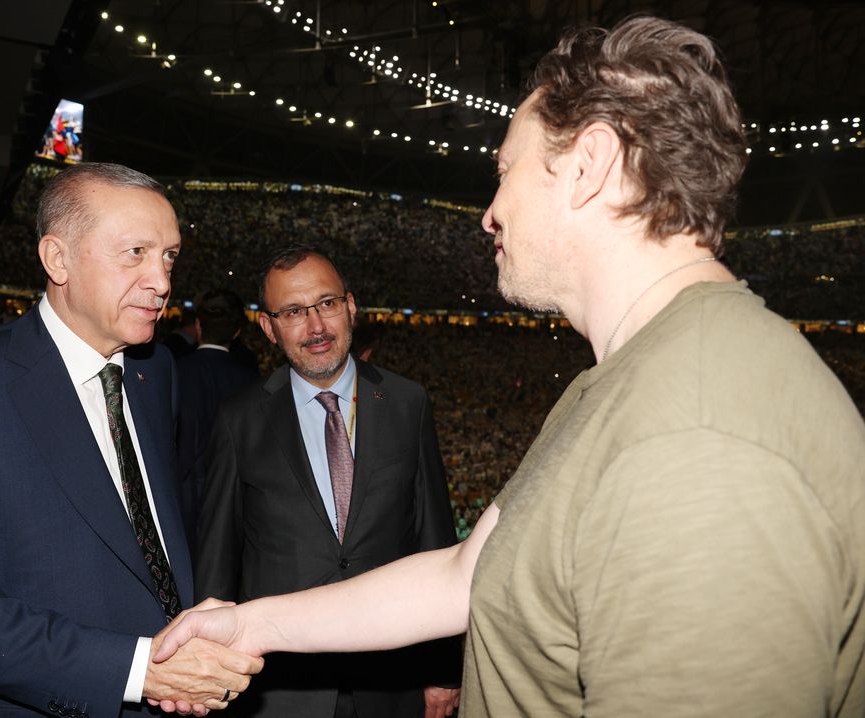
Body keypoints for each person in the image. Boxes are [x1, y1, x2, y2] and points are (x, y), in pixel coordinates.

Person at [155, 17, 865, 717]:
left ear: (589, 165)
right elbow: (463, 576)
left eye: (504, 171)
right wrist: (251, 625)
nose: (490, 213)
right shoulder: (616, 384)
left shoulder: (700, 436)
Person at [0, 162, 262, 718]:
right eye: (135, 253)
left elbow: (147, 533)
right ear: (57, 258)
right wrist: (135, 670)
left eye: (169, 256)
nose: (162, 282)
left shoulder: (157, 372)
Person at [194, 245, 461, 718]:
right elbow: (218, 557)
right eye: (294, 312)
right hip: (278, 691)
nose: (316, 326)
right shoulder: (239, 419)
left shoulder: (407, 403)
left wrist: (443, 670)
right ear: (268, 328)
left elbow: (435, 542)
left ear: (351, 307)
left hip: (391, 680)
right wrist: (212, 665)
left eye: (327, 304)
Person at [176, 288, 259, 554]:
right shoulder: (251, 382)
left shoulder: (174, 372)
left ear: (199, 326)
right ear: (236, 333)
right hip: (234, 503)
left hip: (183, 502)